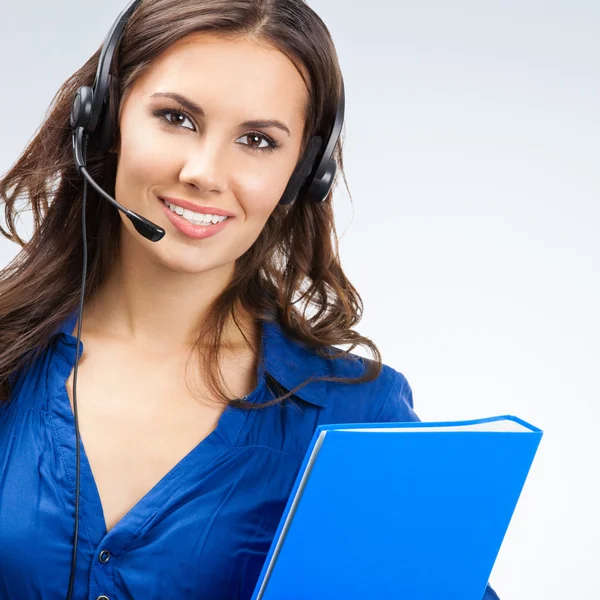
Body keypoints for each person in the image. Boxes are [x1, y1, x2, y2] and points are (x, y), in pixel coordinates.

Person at [0, 0, 500, 598]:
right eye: (177, 119)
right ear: (106, 121)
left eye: (258, 140)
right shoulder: (9, 352)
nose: (205, 172)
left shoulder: (356, 417)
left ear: (303, 172)